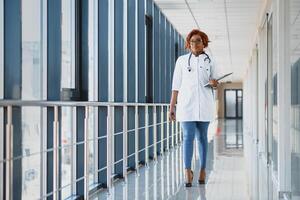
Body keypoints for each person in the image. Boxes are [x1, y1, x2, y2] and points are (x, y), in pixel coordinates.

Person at [169, 29, 219, 187]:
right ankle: (187, 171)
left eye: (198, 41)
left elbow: (216, 82)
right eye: (191, 41)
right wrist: (171, 108)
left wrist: (214, 83)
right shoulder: (182, 61)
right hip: (186, 106)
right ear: (188, 44)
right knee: (188, 137)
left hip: (205, 104)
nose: (194, 44)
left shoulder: (211, 61)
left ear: (204, 42)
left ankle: (203, 170)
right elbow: (175, 86)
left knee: (202, 138)